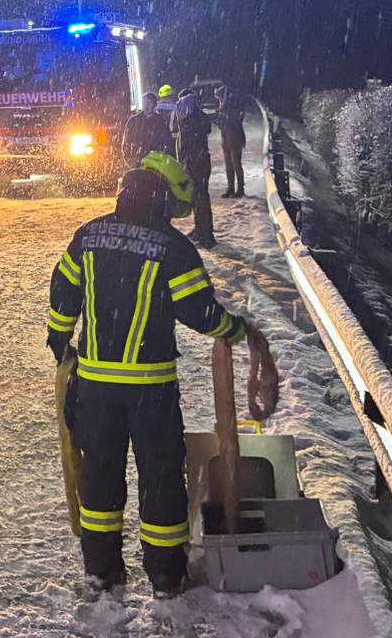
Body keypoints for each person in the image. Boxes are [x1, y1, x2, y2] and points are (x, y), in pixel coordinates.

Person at [46, 168, 255, 597]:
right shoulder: (172, 248)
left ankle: (102, 571)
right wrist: (237, 331)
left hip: (96, 387)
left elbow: (63, 292)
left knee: (100, 474)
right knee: (160, 478)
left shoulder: (89, 236)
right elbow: (199, 311)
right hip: (150, 389)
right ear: (162, 202)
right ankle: (164, 575)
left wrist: (60, 338)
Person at [172, 90, 216, 247]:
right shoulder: (186, 118)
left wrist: (189, 116)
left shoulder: (197, 118)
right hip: (191, 163)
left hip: (199, 163)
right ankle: (199, 229)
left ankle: (207, 235)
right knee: (196, 198)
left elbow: (202, 130)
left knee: (201, 198)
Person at [214, 86, 247, 198]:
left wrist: (225, 119)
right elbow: (220, 123)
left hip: (235, 139)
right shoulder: (222, 108)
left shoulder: (233, 108)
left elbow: (235, 122)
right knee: (228, 165)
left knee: (236, 163)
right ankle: (231, 188)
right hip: (226, 139)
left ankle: (240, 189)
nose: (219, 101)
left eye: (220, 98)